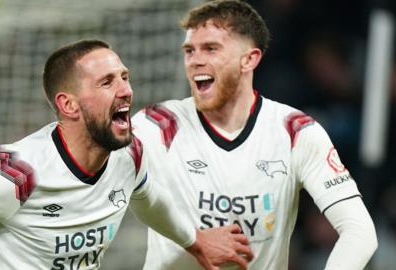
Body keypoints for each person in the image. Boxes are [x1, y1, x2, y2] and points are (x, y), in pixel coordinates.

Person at [0, 40, 254, 270]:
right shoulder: (13, 175)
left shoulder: (130, 156)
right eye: (107, 83)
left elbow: (149, 199)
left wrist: (195, 240)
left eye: (125, 77)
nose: (126, 90)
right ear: (68, 104)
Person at [131, 0, 378, 269]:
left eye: (211, 49)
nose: (195, 60)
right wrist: (193, 239)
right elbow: (109, 182)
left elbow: (360, 232)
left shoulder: (295, 132)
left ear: (250, 59)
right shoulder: (158, 125)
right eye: (189, 51)